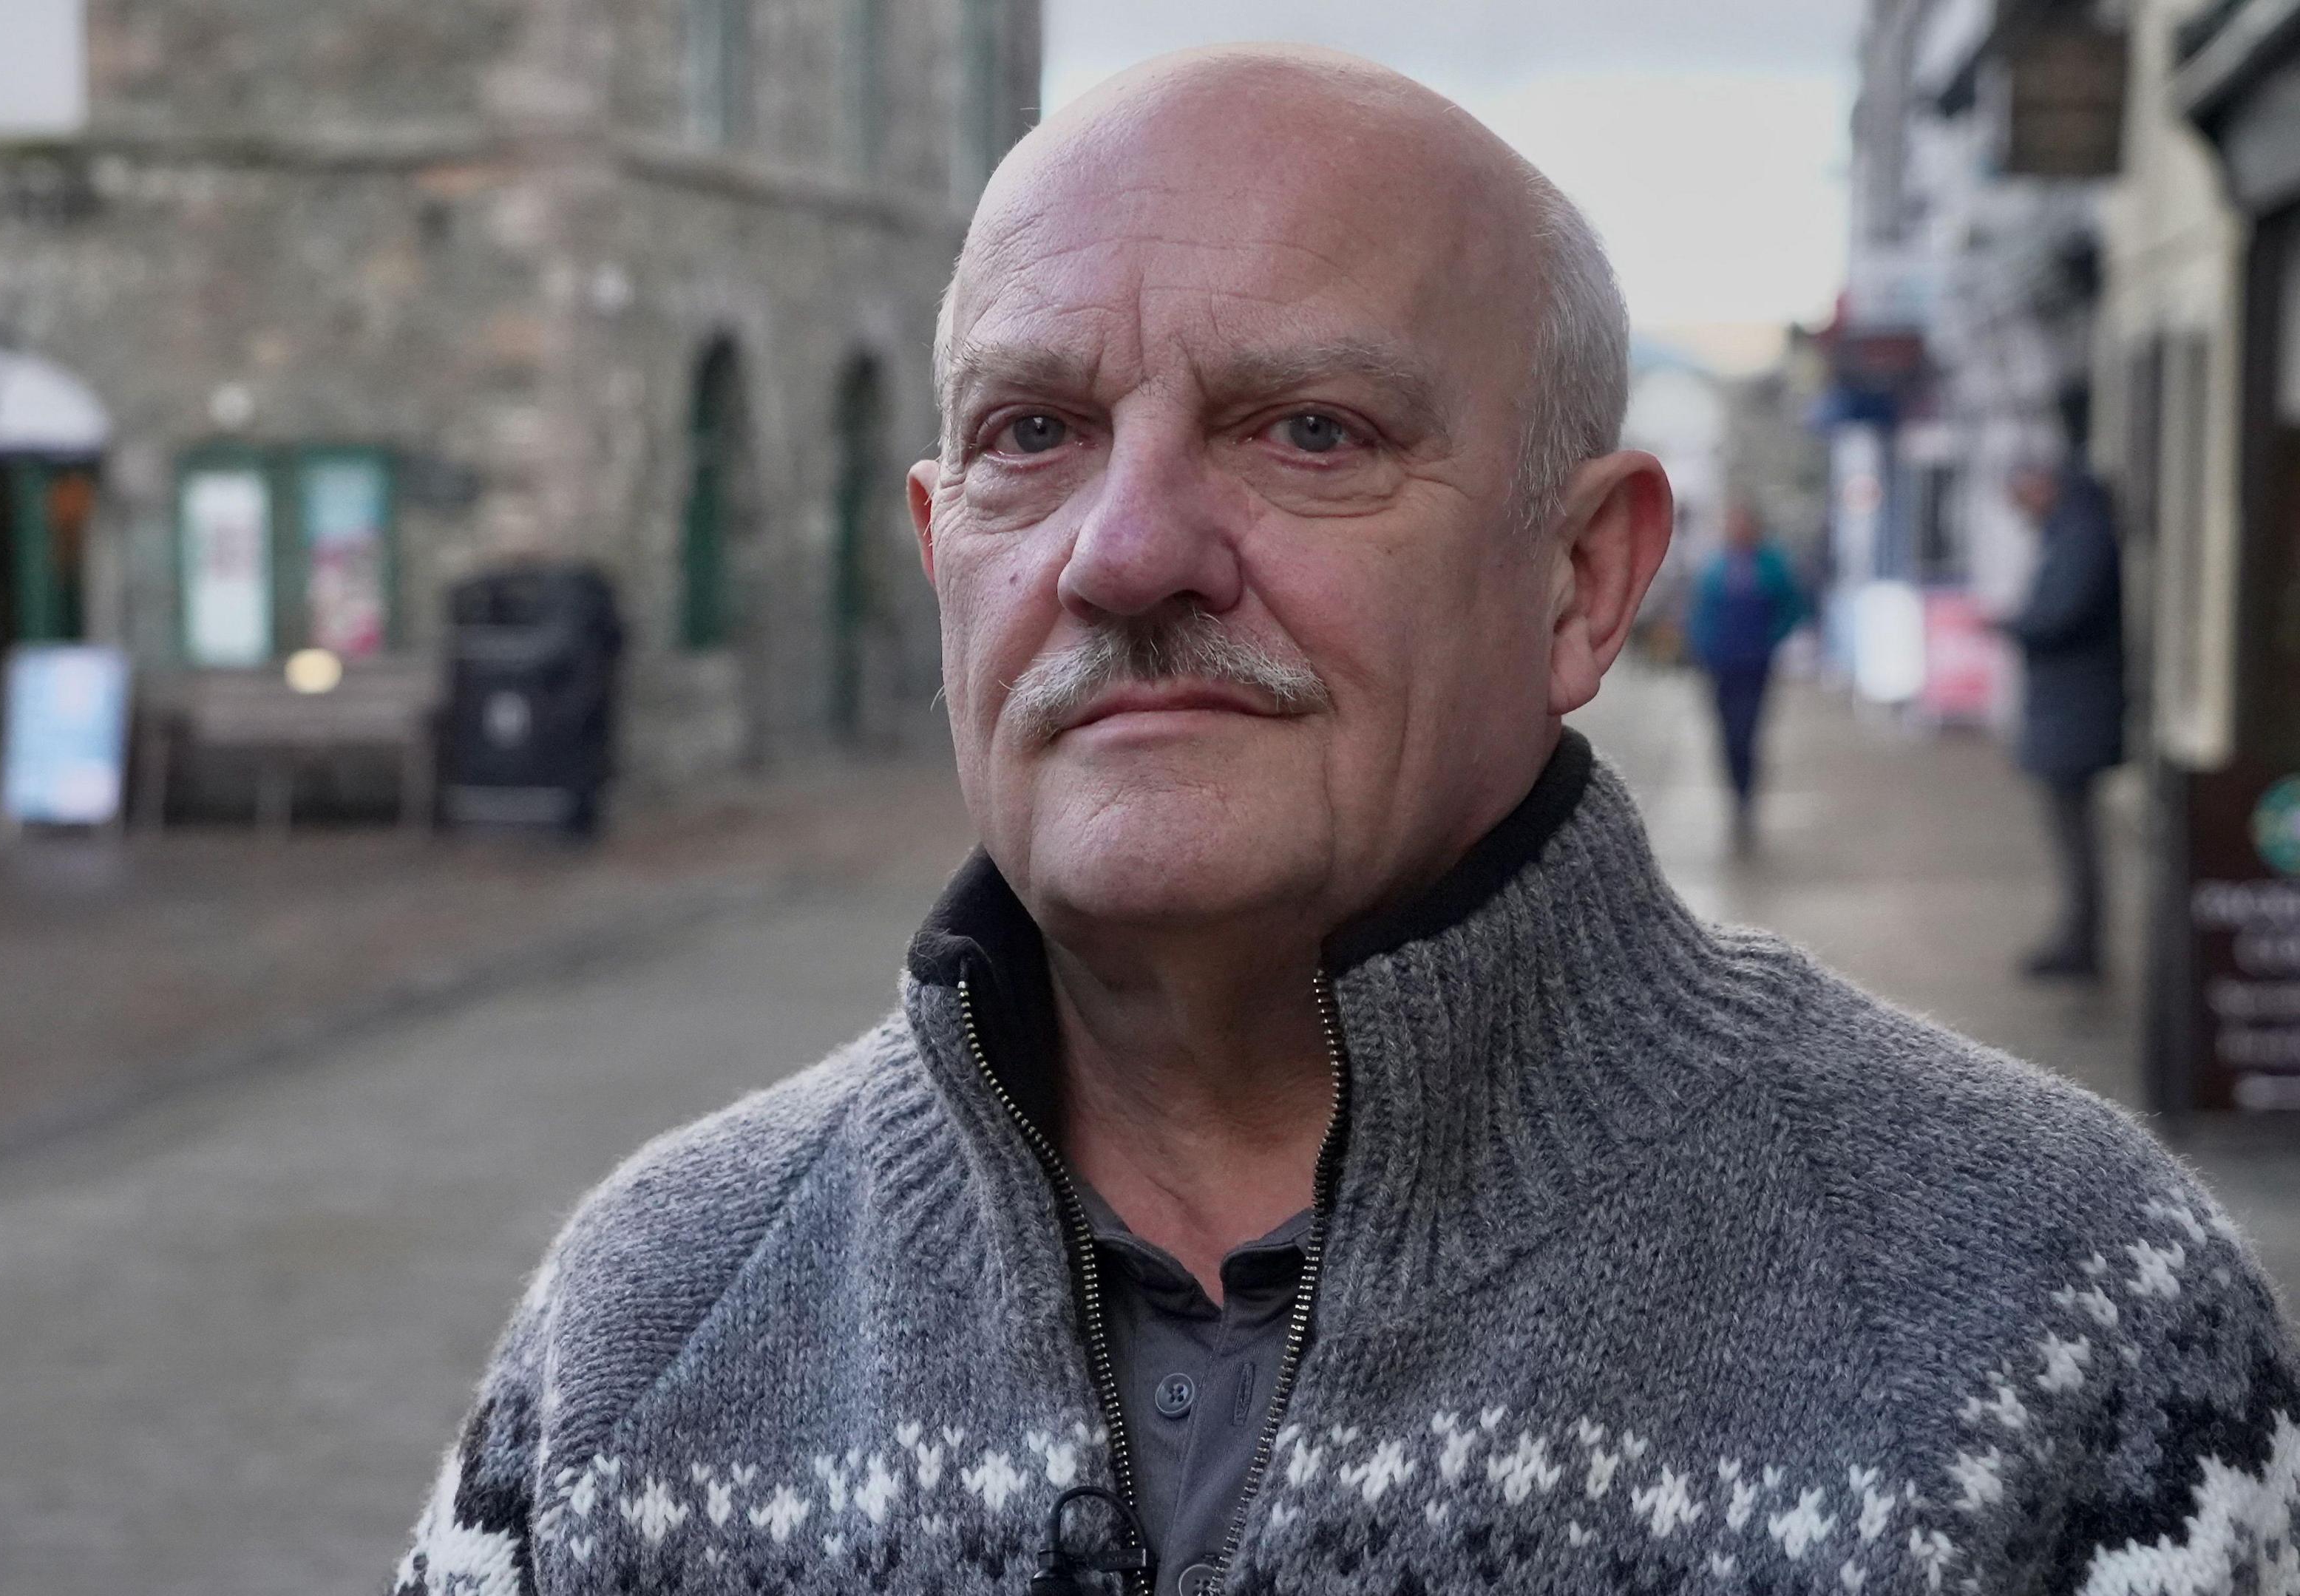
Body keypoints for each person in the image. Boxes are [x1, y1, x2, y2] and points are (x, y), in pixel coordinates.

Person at [395, 49, 2292, 1596]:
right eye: (1029, 434)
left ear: (1579, 578)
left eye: (1306, 430)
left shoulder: (2043, 1321)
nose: (1120, 550)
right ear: (937, 550)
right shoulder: (651, 1323)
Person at [2002, 461, 2126, 980]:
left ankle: (2083, 943)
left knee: (2074, 833)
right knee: (2070, 833)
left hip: (2076, 708)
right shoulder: (2077, 532)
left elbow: (2057, 616)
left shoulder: (2081, 536)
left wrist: (2014, 623)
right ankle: (2077, 938)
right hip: (2072, 705)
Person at [1683, 503, 1807, 845]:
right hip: (1720, 665)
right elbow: (1700, 612)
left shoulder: (1772, 565)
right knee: (1725, 734)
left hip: (1755, 665)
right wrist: (1700, 647)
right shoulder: (1715, 566)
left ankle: (1747, 798)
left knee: (1747, 731)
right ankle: (1734, 795)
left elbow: (1794, 606)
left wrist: (1771, 640)